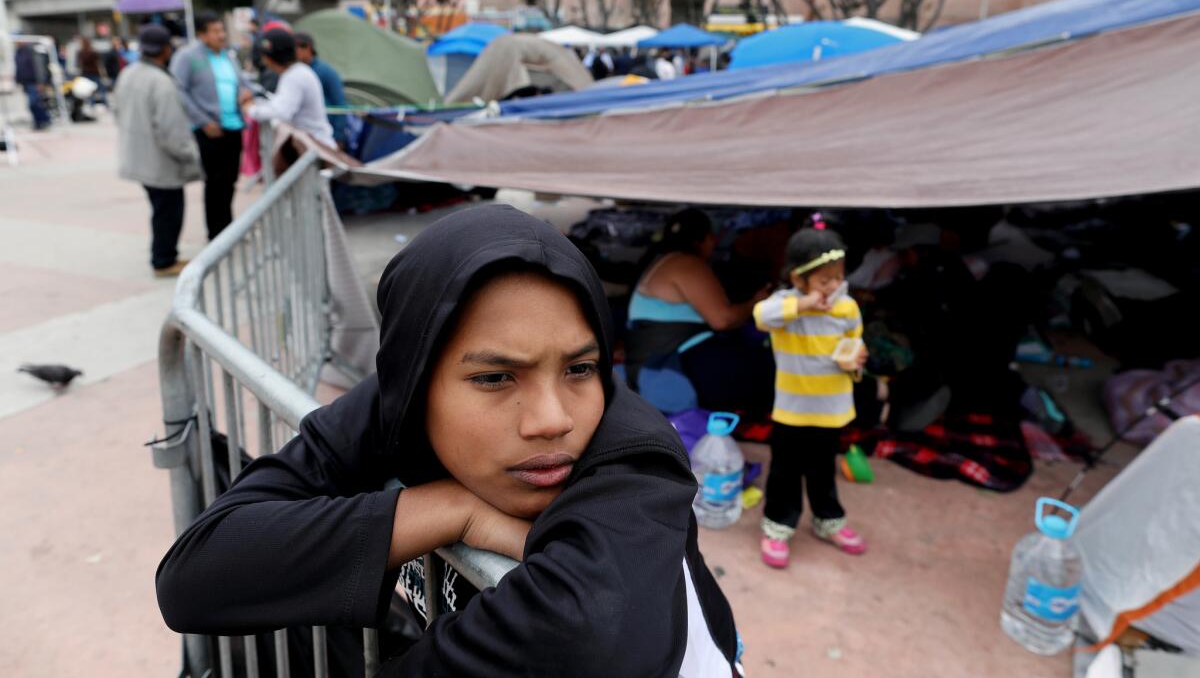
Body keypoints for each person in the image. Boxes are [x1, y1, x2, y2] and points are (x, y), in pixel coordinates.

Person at [155, 205, 743, 676]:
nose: (552, 419)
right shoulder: (395, 402)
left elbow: (588, 639)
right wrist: (449, 510)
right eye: (494, 377)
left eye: (579, 368)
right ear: (412, 380)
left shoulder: (634, 463)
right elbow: (196, 576)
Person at [754, 225, 870, 568]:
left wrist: (858, 359)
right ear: (799, 279)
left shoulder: (847, 308)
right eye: (823, 280)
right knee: (785, 471)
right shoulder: (785, 306)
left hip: (832, 407)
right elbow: (761, 316)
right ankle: (778, 526)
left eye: (838, 277)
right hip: (793, 409)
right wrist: (803, 305)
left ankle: (828, 520)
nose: (833, 286)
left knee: (823, 469)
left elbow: (856, 341)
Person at [624, 208, 775, 418]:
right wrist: (756, 302)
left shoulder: (662, 261)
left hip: (657, 359)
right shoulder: (686, 264)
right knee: (771, 367)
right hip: (675, 362)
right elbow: (723, 320)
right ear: (704, 239)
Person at [113, 25, 203, 278]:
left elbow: (117, 111)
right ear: (166, 49)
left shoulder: (128, 73)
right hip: (160, 161)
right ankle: (164, 260)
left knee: (160, 209)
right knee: (169, 212)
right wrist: (191, 155)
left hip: (138, 155)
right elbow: (172, 130)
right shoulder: (161, 82)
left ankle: (163, 256)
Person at [170, 11, 252, 240]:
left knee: (230, 180)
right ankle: (216, 233)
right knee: (215, 183)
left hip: (233, 126)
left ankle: (228, 227)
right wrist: (202, 121)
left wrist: (247, 93)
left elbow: (244, 82)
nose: (221, 35)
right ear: (202, 34)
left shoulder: (228, 55)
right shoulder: (188, 57)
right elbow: (178, 90)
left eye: (222, 30)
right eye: (215, 31)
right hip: (210, 130)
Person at [241, 28, 334, 144]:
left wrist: (251, 109)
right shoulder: (295, 72)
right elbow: (280, 103)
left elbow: (282, 112)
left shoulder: (294, 76)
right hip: (310, 144)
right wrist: (257, 101)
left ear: (271, 58)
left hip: (314, 148)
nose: (264, 61)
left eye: (264, 56)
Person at [293, 31, 348, 148]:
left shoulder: (326, 72)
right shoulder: (295, 72)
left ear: (308, 48)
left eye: (297, 48)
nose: (294, 52)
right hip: (304, 134)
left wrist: (338, 137)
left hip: (327, 135)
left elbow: (340, 105)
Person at [14, 42, 50, 130]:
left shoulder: (32, 51)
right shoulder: (18, 52)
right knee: (33, 103)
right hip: (26, 82)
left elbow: (39, 67)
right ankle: (38, 122)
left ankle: (44, 120)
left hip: (34, 82)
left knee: (33, 102)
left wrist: (41, 82)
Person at [77, 36, 106, 107]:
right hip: (94, 73)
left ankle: (91, 104)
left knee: (89, 90)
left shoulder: (80, 53)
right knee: (100, 89)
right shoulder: (93, 52)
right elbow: (99, 64)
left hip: (86, 73)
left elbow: (79, 64)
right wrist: (103, 73)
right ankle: (104, 104)